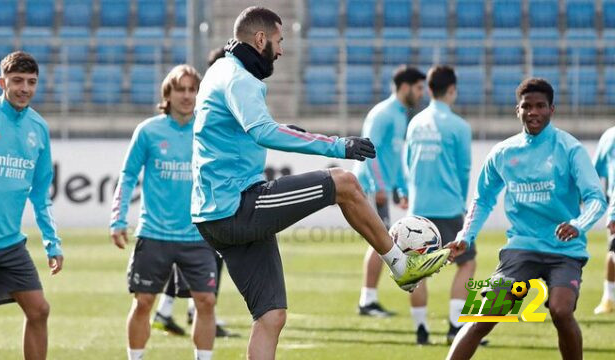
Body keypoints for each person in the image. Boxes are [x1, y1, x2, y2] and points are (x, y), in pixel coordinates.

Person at [191, 6, 451, 359]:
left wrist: (291, 131)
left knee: (271, 316)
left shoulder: (221, 68)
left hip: (212, 215)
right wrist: (337, 145)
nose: (282, 51)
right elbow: (263, 131)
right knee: (343, 182)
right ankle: (400, 265)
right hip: (237, 205)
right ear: (261, 39)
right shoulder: (240, 78)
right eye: (280, 42)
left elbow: (237, 127)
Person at [445, 78, 606, 360]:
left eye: (540, 106)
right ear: (516, 110)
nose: (533, 112)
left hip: (564, 250)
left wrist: (578, 224)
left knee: (560, 310)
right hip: (520, 249)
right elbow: (482, 199)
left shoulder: (570, 149)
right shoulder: (503, 153)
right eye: (526, 106)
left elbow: (596, 198)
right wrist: (464, 237)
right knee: (483, 316)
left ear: (551, 109)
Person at [110, 65, 217, 360]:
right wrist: (118, 219)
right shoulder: (148, 131)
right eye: (179, 89)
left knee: (206, 301)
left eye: (192, 89)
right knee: (144, 301)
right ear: (167, 94)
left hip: (198, 234)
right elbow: (127, 175)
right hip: (154, 233)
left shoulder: (209, 130)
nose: (186, 95)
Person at [0, 51, 64, 360]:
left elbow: (41, 193)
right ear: (2, 82)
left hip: (9, 244)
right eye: (17, 81)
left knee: (39, 310)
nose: (25, 88)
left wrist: (53, 243)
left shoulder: (38, 129)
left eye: (31, 82)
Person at [151, 46, 237, 338]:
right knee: (206, 255)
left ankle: (171, 310)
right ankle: (186, 312)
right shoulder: (216, 100)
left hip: (203, 198)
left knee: (199, 257)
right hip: (205, 201)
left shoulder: (213, 101)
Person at [404, 65, 475, 344]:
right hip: (448, 208)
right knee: (466, 265)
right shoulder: (459, 125)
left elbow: (409, 163)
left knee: (417, 269)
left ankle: (421, 330)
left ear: (429, 89)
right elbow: (465, 170)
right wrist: (463, 203)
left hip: (419, 208)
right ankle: (455, 327)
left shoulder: (415, 123)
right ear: (452, 90)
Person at [353, 65, 426, 317]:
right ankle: (367, 301)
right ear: (405, 87)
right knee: (380, 241)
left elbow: (393, 157)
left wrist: (400, 188)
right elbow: (368, 151)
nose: (422, 93)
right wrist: (379, 186)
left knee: (382, 240)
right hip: (370, 186)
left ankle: (368, 300)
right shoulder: (383, 113)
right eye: (418, 88)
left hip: (381, 186)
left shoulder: (400, 114)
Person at [592, 126, 615, 314]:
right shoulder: (610, 136)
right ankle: (609, 297)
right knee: (613, 252)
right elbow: (595, 172)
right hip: (614, 203)